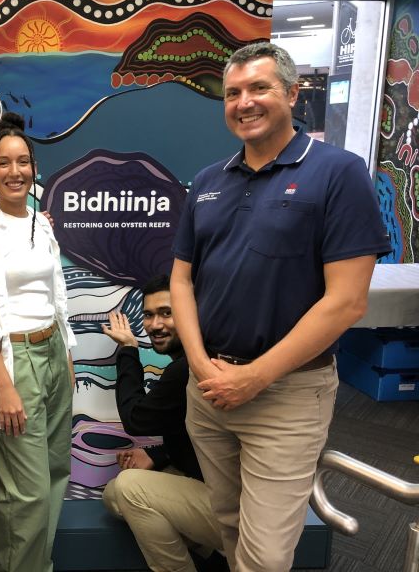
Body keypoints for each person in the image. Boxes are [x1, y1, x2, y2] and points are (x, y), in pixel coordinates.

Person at [170, 42, 391, 572]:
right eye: (232, 93)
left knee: (266, 556)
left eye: (259, 88)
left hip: (287, 396)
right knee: (228, 523)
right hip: (209, 390)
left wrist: (255, 377)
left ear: (293, 94)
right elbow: (181, 280)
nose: (244, 102)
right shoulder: (208, 181)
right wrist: (200, 366)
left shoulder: (338, 173)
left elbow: (346, 302)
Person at [0, 112, 75, 572]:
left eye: (23, 162)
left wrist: (66, 352)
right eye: (4, 163)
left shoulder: (41, 225)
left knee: (53, 478)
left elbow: (58, 292)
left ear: (34, 169)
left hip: (52, 355)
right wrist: (4, 385)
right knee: (25, 492)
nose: (15, 172)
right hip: (13, 361)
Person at [101, 275, 227, 572]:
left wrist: (129, 350)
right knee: (114, 495)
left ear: (191, 311)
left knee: (129, 487)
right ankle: (216, 558)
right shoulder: (199, 355)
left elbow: (135, 419)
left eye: (167, 313)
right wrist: (159, 455)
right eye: (149, 314)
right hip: (216, 487)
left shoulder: (187, 368)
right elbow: (195, 430)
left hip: (239, 509)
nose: (156, 324)